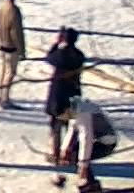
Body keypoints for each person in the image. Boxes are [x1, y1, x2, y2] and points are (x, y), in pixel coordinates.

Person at [46, 27, 87, 165]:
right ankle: (68, 153)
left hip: (58, 95)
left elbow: (49, 57)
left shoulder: (60, 54)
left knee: (56, 126)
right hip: (73, 93)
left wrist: (56, 44)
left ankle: (55, 153)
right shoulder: (79, 55)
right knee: (71, 126)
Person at [63, 96, 118, 192]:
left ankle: (91, 184)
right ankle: (89, 182)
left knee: (77, 155)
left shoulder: (84, 112)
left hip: (107, 143)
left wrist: (83, 164)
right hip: (96, 140)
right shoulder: (76, 108)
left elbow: (86, 139)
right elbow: (72, 130)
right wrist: (64, 149)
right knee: (74, 153)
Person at [0, 0, 26, 109]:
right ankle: (5, 98)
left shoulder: (1, 8)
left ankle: (0, 96)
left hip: (2, 44)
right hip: (11, 47)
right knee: (10, 73)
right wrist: (21, 50)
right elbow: (17, 32)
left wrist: (0, 35)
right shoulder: (15, 10)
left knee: (2, 72)